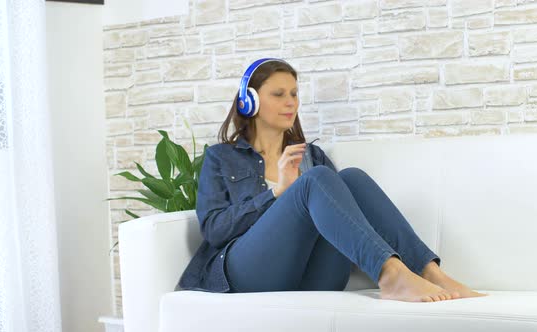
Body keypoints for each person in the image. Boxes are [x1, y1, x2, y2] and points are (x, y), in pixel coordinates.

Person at [177, 58, 488, 302]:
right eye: (279, 94)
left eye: (295, 94)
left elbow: (343, 222)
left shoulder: (312, 155)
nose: (291, 102)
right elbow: (215, 230)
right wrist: (277, 193)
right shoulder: (222, 157)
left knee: (351, 178)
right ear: (250, 101)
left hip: (309, 279)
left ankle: (430, 271)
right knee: (314, 181)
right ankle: (391, 275)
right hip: (247, 274)